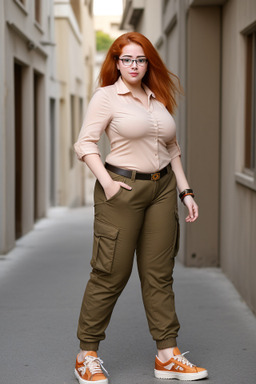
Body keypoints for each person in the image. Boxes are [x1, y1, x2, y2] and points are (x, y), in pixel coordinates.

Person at [73, 32, 208, 383]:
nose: (134, 66)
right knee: (109, 273)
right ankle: (86, 353)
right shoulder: (105, 97)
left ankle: (167, 354)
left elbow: (172, 147)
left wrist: (186, 191)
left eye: (141, 59)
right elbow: (85, 143)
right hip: (122, 190)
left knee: (159, 274)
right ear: (116, 63)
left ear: (149, 63)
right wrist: (107, 183)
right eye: (127, 59)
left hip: (163, 190)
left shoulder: (157, 98)